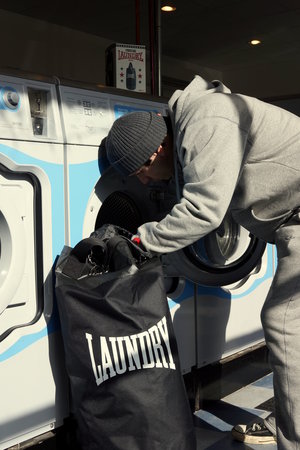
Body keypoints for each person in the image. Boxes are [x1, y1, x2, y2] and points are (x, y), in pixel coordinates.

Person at [103, 75, 300, 450]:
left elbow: (204, 210)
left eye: (139, 172)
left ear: (155, 151)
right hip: (290, 222)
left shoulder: (207, 121)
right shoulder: (195, 126)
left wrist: (142, 240)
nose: (144, 184)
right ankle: (291, 416)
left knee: (284, 322)